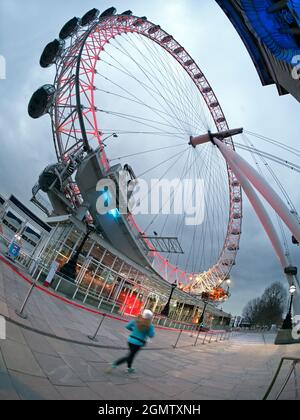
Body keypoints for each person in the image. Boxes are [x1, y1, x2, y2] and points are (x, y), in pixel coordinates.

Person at [107, 309, 155, 374]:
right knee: (130, 356)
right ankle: (115, 364)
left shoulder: (136, 320)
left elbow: (127, 326)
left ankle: (129, 368)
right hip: (138, 343)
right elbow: (151, 335)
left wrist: (134, 330)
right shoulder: (150, 325)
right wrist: (146, 332)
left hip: (130, 340)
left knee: (131, 355)